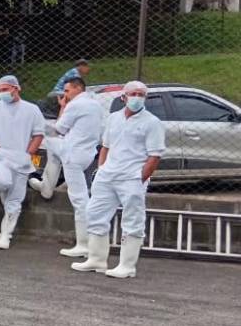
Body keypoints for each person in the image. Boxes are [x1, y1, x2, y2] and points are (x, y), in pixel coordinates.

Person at [72, 81, 163, 278]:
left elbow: (154, 156)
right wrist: (102, 169)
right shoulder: (113, 118)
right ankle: (96, 259)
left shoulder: (152, 122)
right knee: (95, 213)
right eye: (133, 93)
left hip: (132, 177)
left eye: (141, 94)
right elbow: (105, 146)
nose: (137, 97)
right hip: (107, 176)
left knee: (132, 219)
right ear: (123, 97)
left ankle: (127, 266)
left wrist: (140, 178)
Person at [33, 77, 105, 257]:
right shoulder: (95, 104)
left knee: (79, 200)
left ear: (77, 88)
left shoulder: (75, 105)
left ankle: (83, 244)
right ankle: (46, 186)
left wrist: (61, 108)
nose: (64, 94)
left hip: (73, 155)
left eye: (67, 91)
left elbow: (59, 129)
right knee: (53, 147)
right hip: (87, 154)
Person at [0, 75, 45, 250]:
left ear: (16, 88)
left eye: (5, 89)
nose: (2, 93)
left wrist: (28, 153)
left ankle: (5, 235)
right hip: (0, 157)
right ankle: (7, 212)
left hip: (21, 159)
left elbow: (38, 134)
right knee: (0, 183)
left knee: (15, 200)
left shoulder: (31, 110)